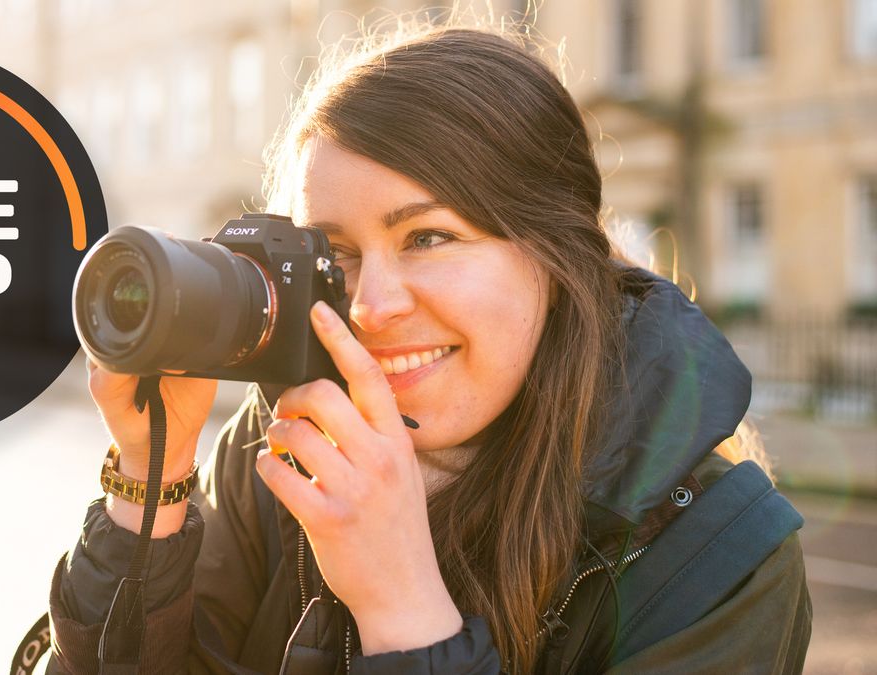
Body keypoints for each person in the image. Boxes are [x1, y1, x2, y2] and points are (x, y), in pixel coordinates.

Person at [46, 20, 812, 675]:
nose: (373, 306)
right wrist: (152, 478)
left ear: (558, 257)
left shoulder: (721, 558)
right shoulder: (284, 447)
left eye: (428, 237)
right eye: (336, 252)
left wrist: (400, 602)